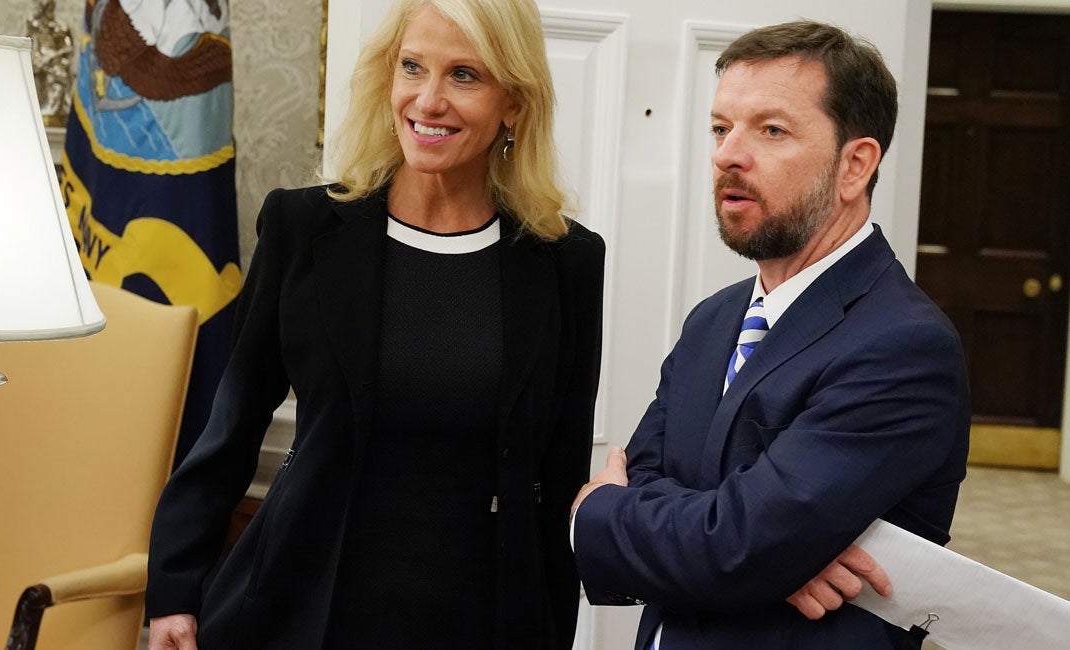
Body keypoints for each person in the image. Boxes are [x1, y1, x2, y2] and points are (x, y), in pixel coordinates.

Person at [146, 0, 605, 648]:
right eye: (412, 67)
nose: (428, 100)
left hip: (478, 620)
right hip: (300, 607)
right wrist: (174, 591)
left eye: (464, 75)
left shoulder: (567, 262)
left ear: (514, 103)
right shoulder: (302, 228)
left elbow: (557, 480)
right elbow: (232, 425)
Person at [570, 20, 970, 650]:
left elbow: (736, 545)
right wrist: (766, 555)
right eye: (721, 128)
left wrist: (594, 512)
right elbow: (656, 482)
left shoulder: (905, 346)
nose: (726, 154)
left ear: (855, 165)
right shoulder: (714, 319)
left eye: (771, 130)